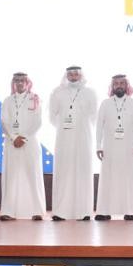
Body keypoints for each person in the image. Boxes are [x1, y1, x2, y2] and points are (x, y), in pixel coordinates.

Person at [49, 66, 98, 221]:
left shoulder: (90, 93)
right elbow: (52, 116)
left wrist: (80, 125)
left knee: (83, 171)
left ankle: (83, 211)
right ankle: (60, 211)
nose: (73, 76)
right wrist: (65, 127)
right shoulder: (57, 92)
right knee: (64, 171)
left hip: (83, 137)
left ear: (81, 75)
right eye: (70, 74)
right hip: (64, 137)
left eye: (76, 73)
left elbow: (94, 116)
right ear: (66, 76)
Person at [95, 74, 133, 221]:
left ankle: (129, 210)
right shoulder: (105, 103)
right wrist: (98, 146)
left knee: (128, 178)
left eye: (122, 83)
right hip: (109, 147)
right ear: (112, 86)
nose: (119, 86)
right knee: (108, 178)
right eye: (116, 83)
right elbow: (99, 125)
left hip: (128, 147)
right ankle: (104, 211)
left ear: (126, 85)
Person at [0, 72, 46, 221]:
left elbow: (37, 122)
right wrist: (14, 137)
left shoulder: (35, 99)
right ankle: (8, 211)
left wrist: (23, 137)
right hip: (11, 143)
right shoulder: (7, 100)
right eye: (16, 80)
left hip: (30, 142)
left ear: (27, 83)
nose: (19, 83)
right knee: (11, 176)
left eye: (22, 81)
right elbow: (4, 121)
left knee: (32, 175)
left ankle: (37, 211)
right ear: (13, 83)